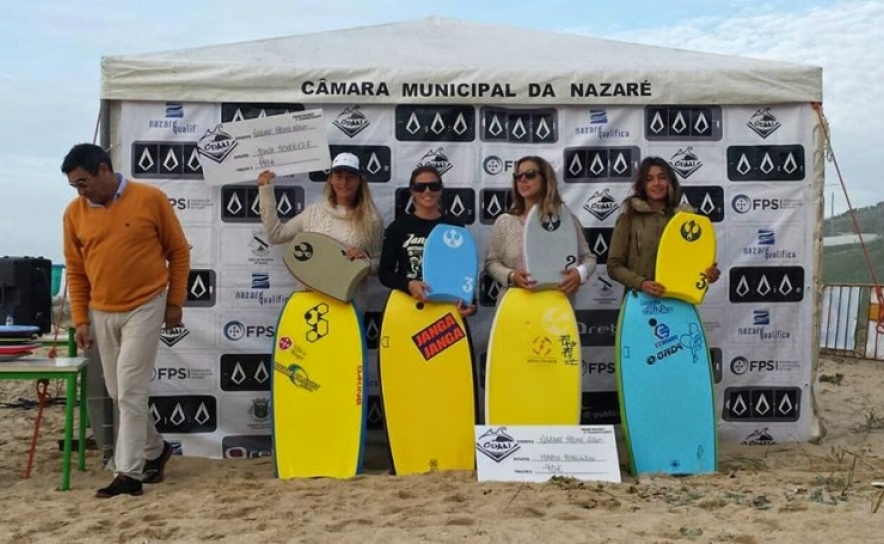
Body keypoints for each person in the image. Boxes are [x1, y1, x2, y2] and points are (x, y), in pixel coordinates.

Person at [62, 143, 189, 498]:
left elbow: (178, 252)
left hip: (146, 305)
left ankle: (128, 475)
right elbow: (75, 268)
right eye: (74, 186)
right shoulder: (74, 213)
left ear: (104, 170)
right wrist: (80, 318)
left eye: (83, 182)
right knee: (120, 393)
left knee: (130, 389)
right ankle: (155, 450)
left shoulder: (151, 198)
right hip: (101, 311)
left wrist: (175, 303)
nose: (80, 191)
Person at [257, 152, 384, 307]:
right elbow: (276, 235)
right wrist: (265, 190)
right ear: (331, 179)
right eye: (338, 176)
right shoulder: (313, 212)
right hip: (310, 301)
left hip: (349, 304)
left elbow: (378, 265)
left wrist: (366, 261)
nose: (344, 182)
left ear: (359, 182)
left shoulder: (372, 219)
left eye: (350, 176)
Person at [607, 156, 721, 296]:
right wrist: (641, 283)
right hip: (639, 301)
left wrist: (708, 274)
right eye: (649, 179)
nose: (656, 183)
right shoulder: (629, 218)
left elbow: (693, 265)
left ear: (670, 182)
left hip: (679, 301)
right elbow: (614, 266)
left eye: (662, 177)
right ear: (642, 185)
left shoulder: (686, 221)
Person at [484, 155, 596, 296]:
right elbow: (491, 263)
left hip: (556, 303)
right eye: (518, 175)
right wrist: (511, 276)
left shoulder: (566, 221)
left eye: (530, 174)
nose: (523, 179)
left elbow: (588, 258)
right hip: (514, 303)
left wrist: (580, 273)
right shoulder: (505, 222)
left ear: (545, 179)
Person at [379, 165, 477, 316]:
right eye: (420, 187)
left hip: (446, 309)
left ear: (440, 189)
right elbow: (384, 274)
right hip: (408, 306)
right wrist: (408, 285)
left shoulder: (455, 227)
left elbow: (464, 272)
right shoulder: (398, 227)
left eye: (433, 186)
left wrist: (471, 303)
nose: (427, 191)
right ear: (412, 191)